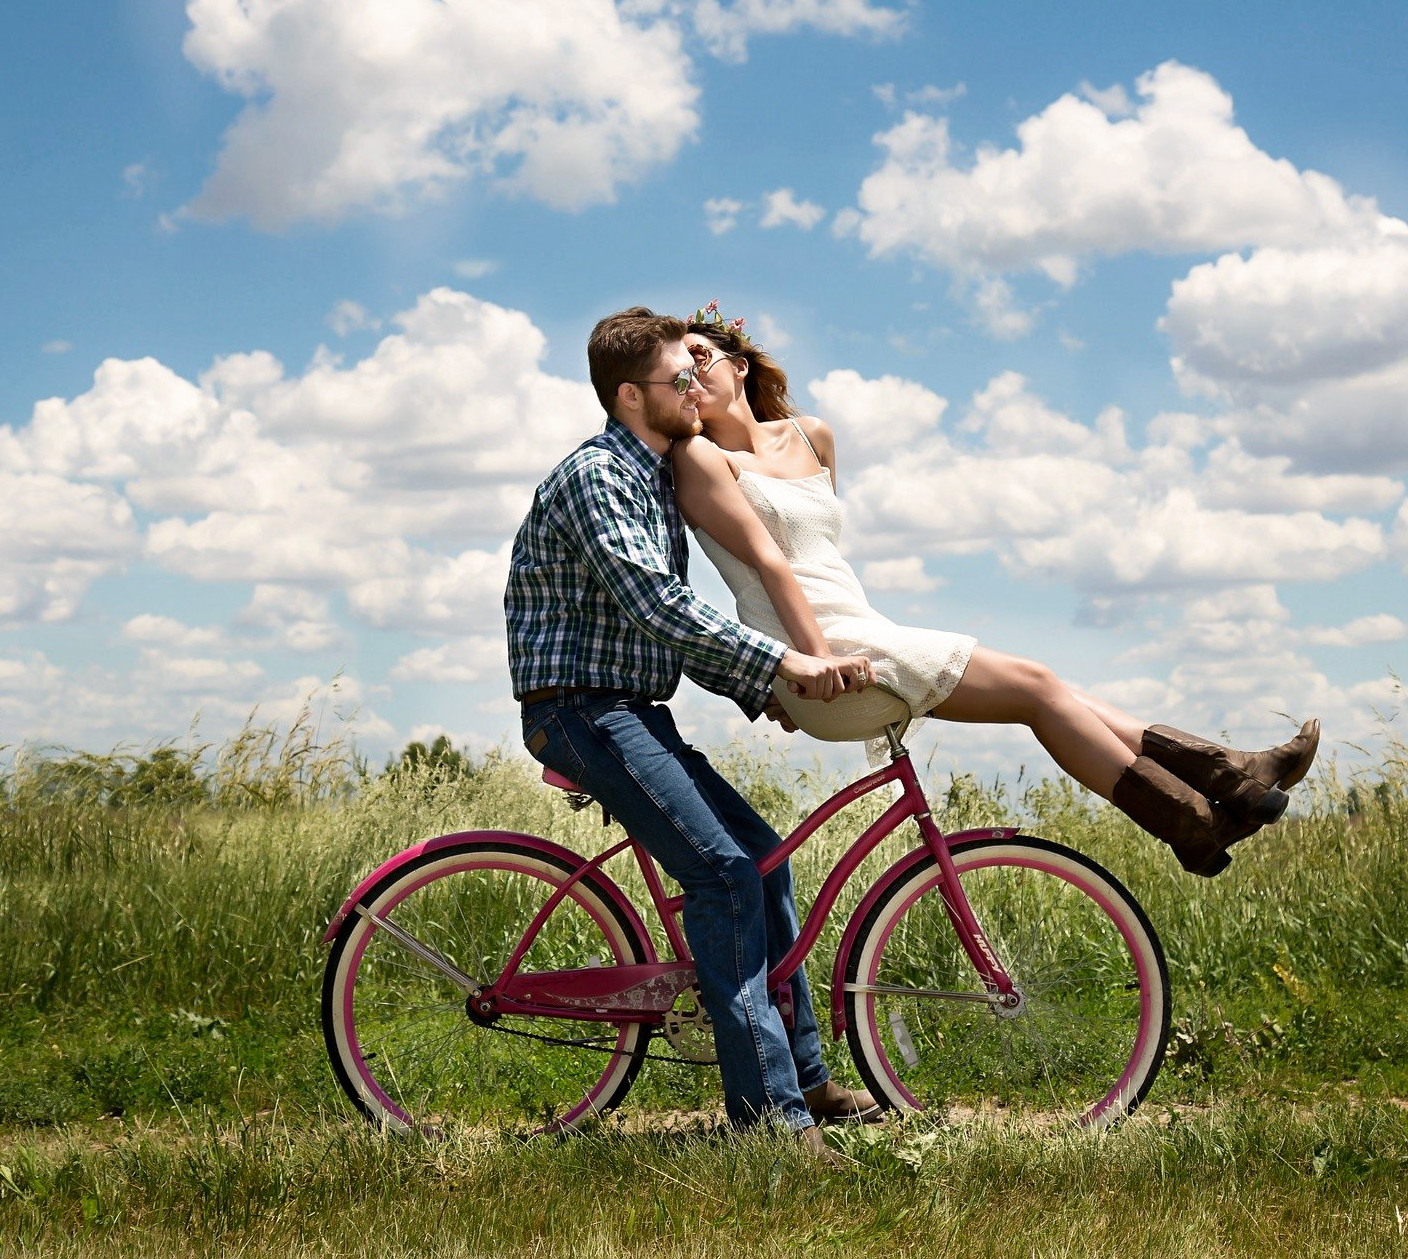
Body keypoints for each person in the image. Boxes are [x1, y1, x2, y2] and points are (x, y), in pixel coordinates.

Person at [671, 302, 1320, 876]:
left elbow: (822, 560)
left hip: (856, 631)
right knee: (1038, 689)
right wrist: (801, 666)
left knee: (1049, 690)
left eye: (700, 356)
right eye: (676, 371)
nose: (690, 375)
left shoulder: (812, 437)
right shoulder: (702, 460)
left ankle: (1223, 790)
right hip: (820, 654)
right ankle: (1205, 808)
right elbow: (771, 568)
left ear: (739, 364)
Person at [504, 306, 881, 1156]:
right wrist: (785, 665)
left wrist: (761, 689)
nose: (696, 391)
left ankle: (808, 1081)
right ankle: (770, 1123)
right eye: (682, 378)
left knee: (765, 858)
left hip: (631, 708)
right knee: (725, 877)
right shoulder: (600, 476)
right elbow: (658, 606)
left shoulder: (653, 479)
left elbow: (660, 630)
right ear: (633, 396)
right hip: (580, 710)